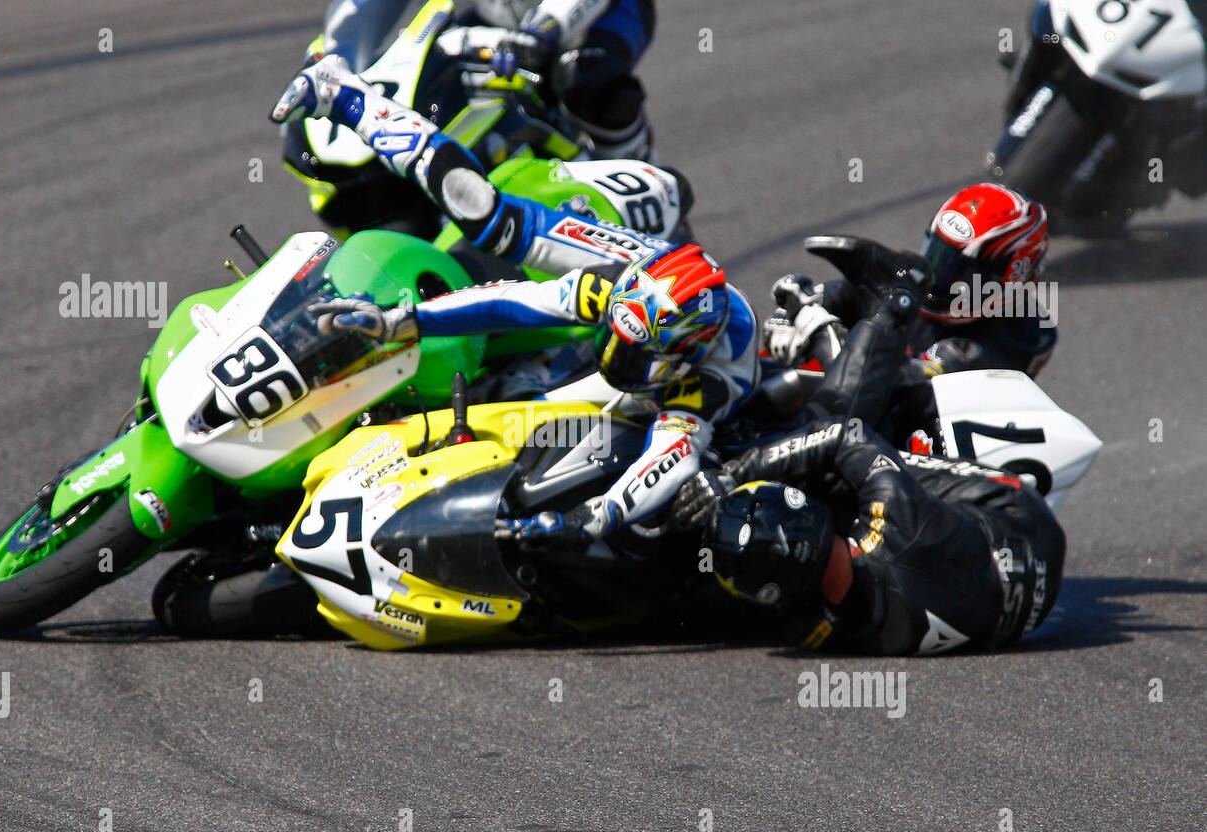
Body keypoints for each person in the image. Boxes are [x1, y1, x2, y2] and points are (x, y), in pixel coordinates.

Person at [271, 54, 760, 545]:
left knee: (524, 414)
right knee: (484, 214)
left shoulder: (715, 377)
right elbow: (515, 300)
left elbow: (671, 457)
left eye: (637, 354)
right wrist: (403, 320)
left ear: (687, 354)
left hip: (675, 337)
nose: (618, 355)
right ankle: (346, 94)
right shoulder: (613, 284)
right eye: (617, 337)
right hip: (632, 246)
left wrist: (594, 517)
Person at [668, 412, 1066, 655]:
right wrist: (736, 473)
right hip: (1027, 525)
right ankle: (890, 311)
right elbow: (846, 433)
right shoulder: (896, 515)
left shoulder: (813, 634)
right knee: (849, 461)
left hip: (1010, 615)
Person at [768, 183, 1055, 379]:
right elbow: (845, 294)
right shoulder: (915, 286)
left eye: (960, 271)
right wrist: (793, 314)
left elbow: (907, 382)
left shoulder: (1017, 338)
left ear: (1011, 275)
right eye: (938, 255)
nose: (938, 277)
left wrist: (822, 335)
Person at [316, 0, 658, 159]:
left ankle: (641, 180)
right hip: (502, 21)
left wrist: (544, 29)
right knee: (430, 82)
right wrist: (334, 54)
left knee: (585, 78)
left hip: (598, 13)